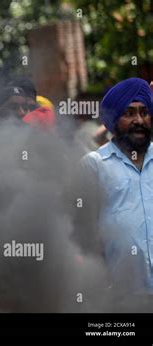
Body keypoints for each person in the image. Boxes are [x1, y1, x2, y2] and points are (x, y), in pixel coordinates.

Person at [79, 77, 153, 293]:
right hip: (123, 296)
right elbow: (84, 235)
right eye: (128, 113)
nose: (138, 120)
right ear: (112, 119)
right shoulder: (94, 165)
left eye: (144, 112)